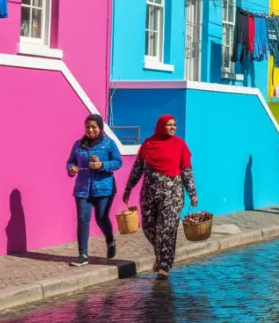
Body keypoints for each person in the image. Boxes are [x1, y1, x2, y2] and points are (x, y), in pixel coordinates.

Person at [122, 115, 197, 279]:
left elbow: (187, 171)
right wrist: (128, 188)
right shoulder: (148, 144)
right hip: (149, 193)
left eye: (174, 125)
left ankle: (164, 265)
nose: (172, 127)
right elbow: (137, 169)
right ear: (161, 126)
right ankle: (160, 254)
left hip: (173, 195)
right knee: (149, 227)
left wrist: (192, 193)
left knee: (167, 230)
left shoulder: (180, 145)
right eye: (169, 125)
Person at [66, 114, 123, 267]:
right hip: (82, 188)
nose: (90, 130)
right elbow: (71, 161)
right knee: (83, 220)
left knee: (101, 218)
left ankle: (110, 240)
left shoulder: (109, 144)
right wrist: (71, 169)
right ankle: (82, 255)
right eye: (87, 127)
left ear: (100, 127)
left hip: (104, 188)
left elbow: (118, 162)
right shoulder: (78, 145)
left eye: (93, 127)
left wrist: (102, 165)